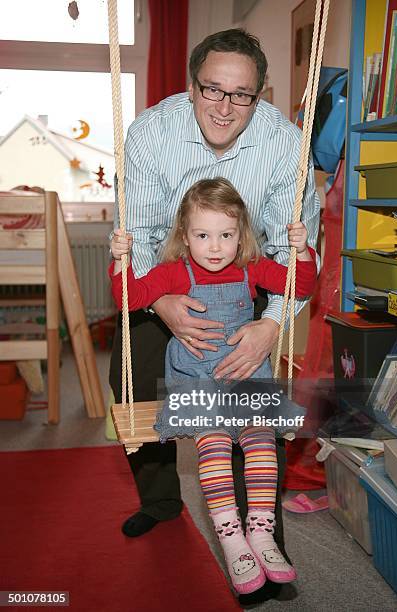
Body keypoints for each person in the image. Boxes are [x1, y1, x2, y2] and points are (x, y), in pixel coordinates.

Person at [109, 28, 320, 580]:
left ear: (261, 94)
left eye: (242, 95)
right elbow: (146, 236)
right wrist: (167, 306)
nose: (225, 108)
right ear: (191, 84)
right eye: (212, 90)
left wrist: (269, 329)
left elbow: (292, 253)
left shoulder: (284, 148)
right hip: (169, 275)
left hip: (244, 283)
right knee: (131, 370)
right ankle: (160, 501)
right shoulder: (151, 134)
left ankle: (263, 532)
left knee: (255, 402)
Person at [110, 178, 317, 594]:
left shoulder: (250, 269)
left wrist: (303, 250)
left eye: (226, 235)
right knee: (216, 447)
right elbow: (127, 298)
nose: (216, 247)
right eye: (203, 235)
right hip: (198, 383)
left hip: (244, 381)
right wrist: (120, 261)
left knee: (261, 444)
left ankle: (260, 531)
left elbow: (302, 285)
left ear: (240, 237)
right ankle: (231, 537)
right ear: (185, 238)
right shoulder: (174, 272)